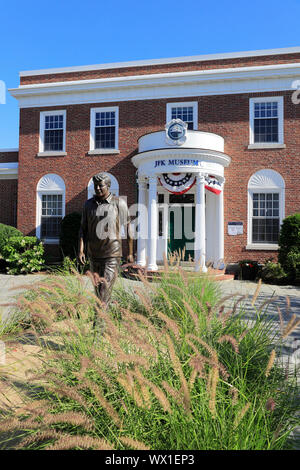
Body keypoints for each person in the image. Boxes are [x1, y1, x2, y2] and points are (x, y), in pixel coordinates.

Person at [78, 172, 134, 312]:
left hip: (112, 254)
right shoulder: (88, 205)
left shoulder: (118, 203)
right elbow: (82, 229)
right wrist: (81, 250)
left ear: (108, 186)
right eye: (95, 186)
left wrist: (130, 252)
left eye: (100, 186)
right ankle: (104, 323)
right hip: (94, 255)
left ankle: (99, 326)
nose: (97, 188)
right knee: (98, 292)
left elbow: (128, 228)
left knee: (104, 290)